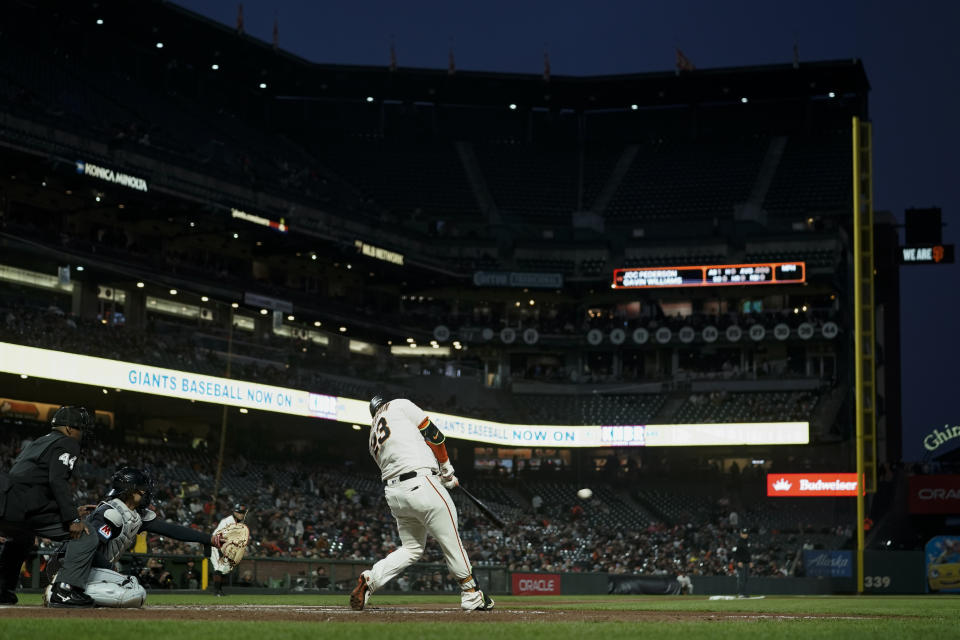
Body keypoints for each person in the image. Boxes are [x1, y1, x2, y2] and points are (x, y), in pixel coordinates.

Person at [350, 395, 494, 611]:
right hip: (421, 483)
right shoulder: (399, 404)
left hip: (395, 494)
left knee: (412, 548)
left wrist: (441, 475)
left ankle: (372, 578)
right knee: (450, 540)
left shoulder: (372, 437)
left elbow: (404, 455)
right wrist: (446, 470)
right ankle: (471, 593)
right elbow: (434, 436)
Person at [43, 467, 224, 608]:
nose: (146, 493)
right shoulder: (111, 513)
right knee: (134, 591)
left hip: (86, 568)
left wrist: (209, 539)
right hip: (70, 567)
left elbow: (171, 530)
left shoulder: (134, 514)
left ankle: (67, 590)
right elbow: (88, 548)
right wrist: (111, 569)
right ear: (129, 491)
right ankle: (60, 589)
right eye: (142, 489)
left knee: (133, 589)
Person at [0, 406, 94, 604]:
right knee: (86, 534)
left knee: (21, 538)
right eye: (80, 429)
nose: (82, 434)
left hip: (8, 504)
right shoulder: (68, 442)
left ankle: (2, 589)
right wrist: (73, 518)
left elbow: (30, 480)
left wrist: (64, 510)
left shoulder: (39, 442)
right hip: (26, 508)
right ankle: (64, 590)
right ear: (69, 428)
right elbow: (57, 481)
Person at [210, 502, 249, 596]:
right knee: (219, 568)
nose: (241, 514)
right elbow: (217, 536)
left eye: (243, 513)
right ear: (234, 512)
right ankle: (216, 591)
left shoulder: (239, 523)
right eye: (239, 512)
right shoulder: (227, 521)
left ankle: (219, 590)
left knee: (225, 569)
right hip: (215, 545)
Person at [733, 528, 753, 598]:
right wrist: (738, 561)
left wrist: (750, 561)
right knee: (741, 578)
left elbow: (749, 553)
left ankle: (745, 593)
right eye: (744, 533)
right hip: (741, 563)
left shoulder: (748, 542)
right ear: (741, 534)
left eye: (746, 533)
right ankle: (740, 593)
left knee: (746, 578)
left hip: (747, 562)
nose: (745, 535)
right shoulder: (738, 542)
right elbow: (735, 553)